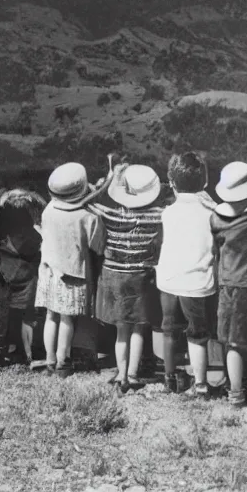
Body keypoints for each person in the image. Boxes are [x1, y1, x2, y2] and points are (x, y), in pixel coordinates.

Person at [90, 164, 164, 395]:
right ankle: (132, 374)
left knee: (121, 330)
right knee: (139, 328)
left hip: (114, 275)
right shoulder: (157, 215)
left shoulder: (110, 214)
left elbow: (86, 201)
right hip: (141, 277)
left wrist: (111, 179)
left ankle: (121, 374)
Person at [36, 162, 105, 377]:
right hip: (72, 274)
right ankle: (62, 361)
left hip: (48, 272)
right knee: (67, 319)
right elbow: (98, 246)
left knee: (50, 316)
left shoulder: (48, 210)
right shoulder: (88, 217)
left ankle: (49, 360)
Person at [156, 153, 217, 397]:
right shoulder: (211, 213)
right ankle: (201, 384)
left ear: (171, 183)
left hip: (169, 280)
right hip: (198, 282)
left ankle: (170, 379)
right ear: (204, 182)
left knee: (169, 330)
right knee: (198, 334)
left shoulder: (167, 213)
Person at [211, 161, 247, 408]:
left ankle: (236, 392)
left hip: (231, 286)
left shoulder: (216, 218)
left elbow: (215, 250)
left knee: (233, 342)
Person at [0, 189, 46, 365]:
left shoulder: (3, 233)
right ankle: (28, 353)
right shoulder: (28, 235)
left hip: (6, 273)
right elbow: (34, 250)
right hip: (26, 276)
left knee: (9, 315)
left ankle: (7, 347)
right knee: (27, 316)